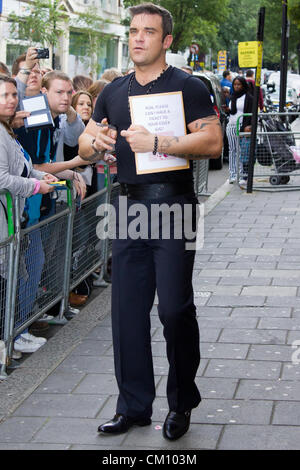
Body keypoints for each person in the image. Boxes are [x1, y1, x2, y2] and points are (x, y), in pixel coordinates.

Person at [79, 2, 222, 441]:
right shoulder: (112, 91)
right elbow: (86, 143)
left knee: (175, 310)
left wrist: (159, 141)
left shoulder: (188, 85)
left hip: (174, 205)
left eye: (148, 31)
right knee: (126, 314)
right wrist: (94, 141)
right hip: (126, 207)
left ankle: (181, 403)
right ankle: (134, 406)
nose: (138, 37)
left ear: (166, 40)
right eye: (133, 30)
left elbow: (213, 141)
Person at [0, 74, 58, 356]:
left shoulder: (6, 130)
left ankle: (11, 338)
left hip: (13, 220)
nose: (12, 100)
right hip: (4, 222)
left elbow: (20, 167)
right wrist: (36, 185)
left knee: (11, 280)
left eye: (14, 95)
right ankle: (8, 341)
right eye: (5, 96)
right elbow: (2, 179)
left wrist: (38, 174)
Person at [224, 76, 253, 184]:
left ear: (243, 85)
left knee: (242, 151)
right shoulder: (233, 97)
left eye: (239, 84)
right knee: (232, 150)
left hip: (242, 126)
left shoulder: (248, 98)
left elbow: (251, 113)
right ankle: (232, 174)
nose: (236, 86)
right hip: (231, 125)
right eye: (235, 84)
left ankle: (242, 175)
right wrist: (228, 110)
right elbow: (233, 112)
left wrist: (249, 126)